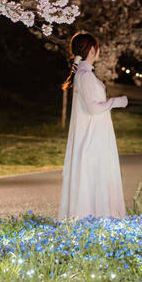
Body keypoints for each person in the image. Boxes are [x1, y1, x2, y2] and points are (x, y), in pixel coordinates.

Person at [58, 32, 128, 220]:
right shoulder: (85, 75)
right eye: (97, 48)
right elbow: (93, 108)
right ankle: (97, 216)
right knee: (95, 175)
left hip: (95, 133)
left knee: (95, 176)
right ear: (91, 50)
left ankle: (97, 216)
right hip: (93, 136)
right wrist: (117, 102)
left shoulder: (82, 73)